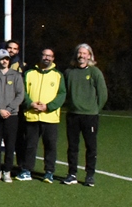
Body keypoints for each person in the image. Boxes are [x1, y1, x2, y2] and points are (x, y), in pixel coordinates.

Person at [17, 48, 67, 183]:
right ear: (40, 56)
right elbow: (22, 91)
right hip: (32, 116)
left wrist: (48, 107)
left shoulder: (58, 75)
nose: (46, 58)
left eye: (49, 56)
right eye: (44, 55)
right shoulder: (29, 73)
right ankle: (26, 170)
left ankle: (49, 172)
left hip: (50, 118)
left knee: (50, 146)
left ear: (53, 58)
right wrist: (30, 103)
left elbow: (62, 94)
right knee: (30, 145)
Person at [63, 43, 108, 187]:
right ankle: (72, 174)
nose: (81, 56)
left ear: (89, 56)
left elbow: (103, 94)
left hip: (90, 116)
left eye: (84, 53)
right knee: (72, 147)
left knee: (91, 147)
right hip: (73, 115)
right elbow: (64, 92)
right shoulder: (69, 72)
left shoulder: (95, 72)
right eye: (79, 53)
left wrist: (94, 109)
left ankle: (90, 175)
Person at [0, 48, 24, 183]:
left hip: (11, 116)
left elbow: (20, 95)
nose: (4, 61)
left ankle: (7, 171)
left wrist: (8, 109)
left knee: (10, 145)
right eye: (2, 59)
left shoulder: (16, 76)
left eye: (6, 59)